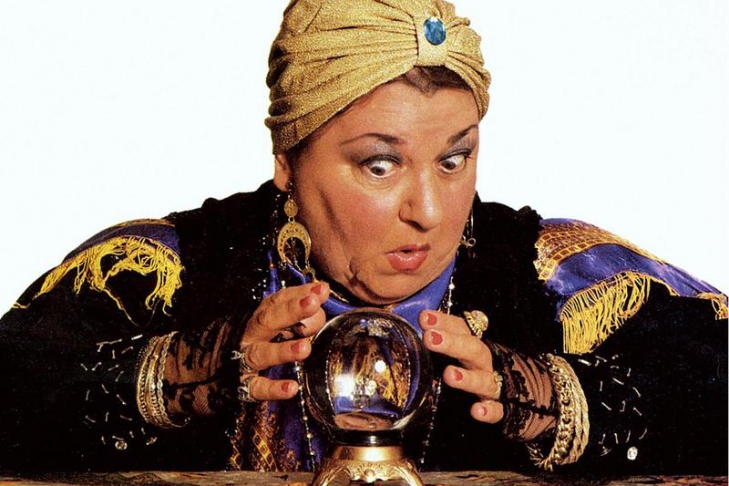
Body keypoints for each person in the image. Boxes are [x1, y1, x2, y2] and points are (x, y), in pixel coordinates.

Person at [0, 0, 726, 476]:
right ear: (287, 160)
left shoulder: (555, 274)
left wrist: (544, 396)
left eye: (454, 158)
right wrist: (190, 373)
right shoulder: (165, 270)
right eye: (380, 165)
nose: (429, 211)